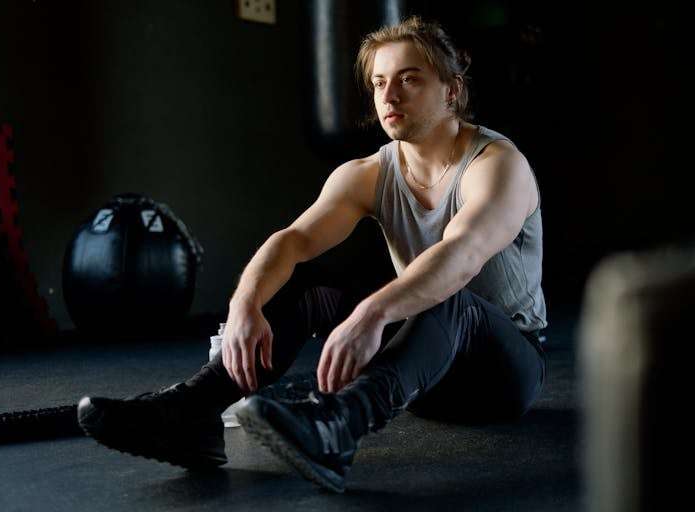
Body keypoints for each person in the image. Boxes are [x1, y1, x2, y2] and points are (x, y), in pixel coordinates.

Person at [77, 15, 547, 493]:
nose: (389, 96)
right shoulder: (367, 172)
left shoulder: (496, 165)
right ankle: (191, 413)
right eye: (380, 82)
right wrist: (245, 305)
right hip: (418, 372)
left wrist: (372, 313)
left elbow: (462, 254)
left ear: (451, 90)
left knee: (449, 296)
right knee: (310, 283)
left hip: (500, 377)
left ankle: (336, 429)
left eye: (409, 79)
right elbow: (294, 240)